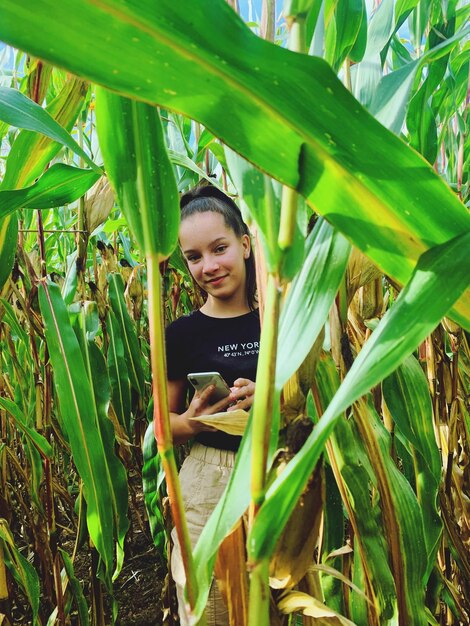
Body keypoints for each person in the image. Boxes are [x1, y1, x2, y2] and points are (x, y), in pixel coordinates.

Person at [165, 183, 260, 626]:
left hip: (276, 472)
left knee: (271, 608)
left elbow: (323, 402)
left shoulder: (281, 317)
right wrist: (195, 421)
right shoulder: (181, 333)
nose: (208, 266)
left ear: (244, 244)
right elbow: (162, 424)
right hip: (207, 482)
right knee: (210, 610)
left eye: (219, 248)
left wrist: (273, 400)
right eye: (194, 257)